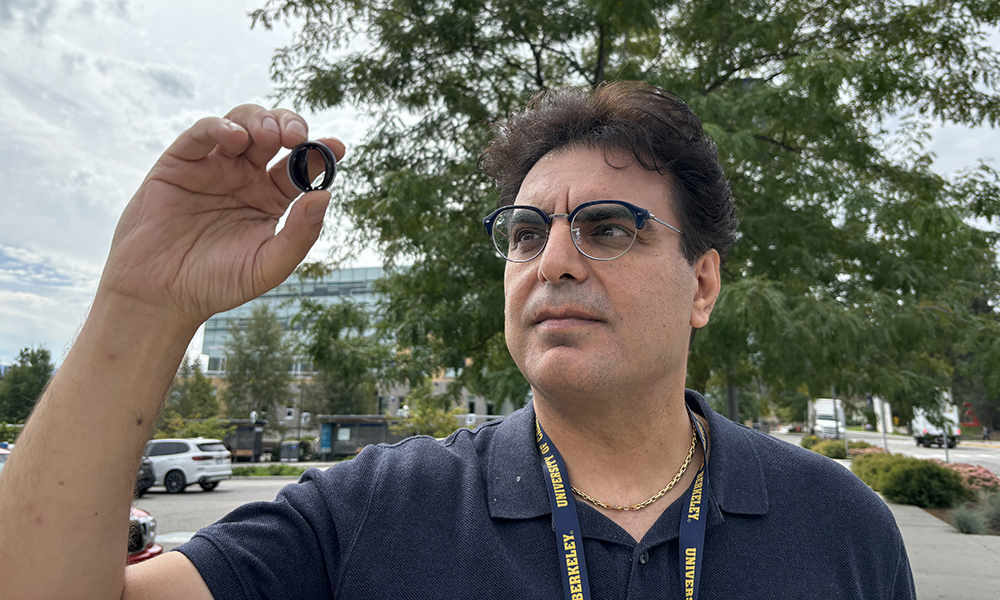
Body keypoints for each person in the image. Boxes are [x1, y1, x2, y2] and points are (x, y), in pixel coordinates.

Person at [0, 84, 914, 600]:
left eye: (609, 226)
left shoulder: (842, 530)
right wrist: (143, 304)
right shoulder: (367, 516)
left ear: (703, 284)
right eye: (524, 232)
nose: (553, 259)